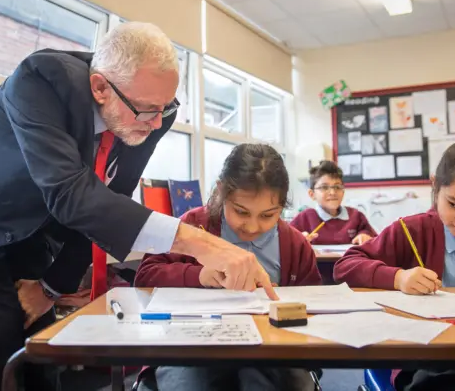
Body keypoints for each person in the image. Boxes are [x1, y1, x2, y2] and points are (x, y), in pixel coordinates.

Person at [0, 22, 276, 391]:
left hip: (31, 218)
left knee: (42, 336)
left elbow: (108, 200)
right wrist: (201, 243)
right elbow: (72, 194)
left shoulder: (153, 110)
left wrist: (50, 286)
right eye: (146, 110)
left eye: (165, 107)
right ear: (100, 88)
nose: (158, 122)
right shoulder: (41, 79)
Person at [333, 137, 455, 391]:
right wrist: (398, 277)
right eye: (453, 204)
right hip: (426, 358)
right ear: (435, 186)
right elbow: (345, 266)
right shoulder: (411, 230)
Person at [134, 143, 322, 391]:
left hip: (274, 347)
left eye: (268, 215)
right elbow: (145, 278)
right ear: (221, 191)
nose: (252, 227)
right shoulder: (193, 225)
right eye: (241, 212)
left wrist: (285, 304)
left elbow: (316, 311)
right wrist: (200, 276)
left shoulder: (295, 244)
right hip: (191, 343)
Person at [290, 160, 376, 245]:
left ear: (343, 191)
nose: (333, 192)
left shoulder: (356, 216)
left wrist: (365, 236)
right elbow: (285, 242)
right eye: (324, 187)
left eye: (337, 187)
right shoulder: (304, 218)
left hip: (350, 259)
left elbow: (375, 240)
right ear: (312, 194)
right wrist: (298, 241)